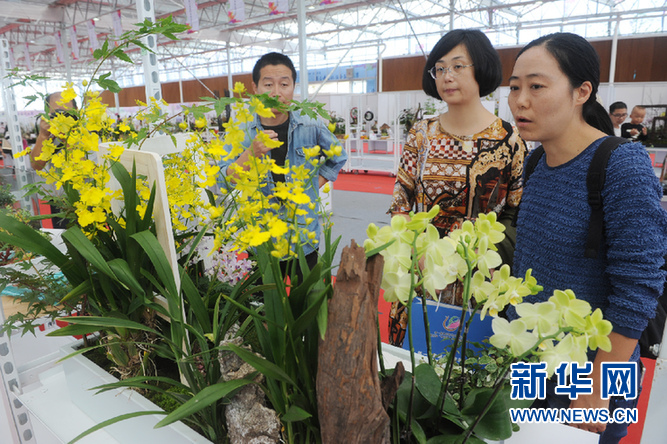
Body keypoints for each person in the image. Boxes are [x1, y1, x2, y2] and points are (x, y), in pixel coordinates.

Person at [508, 32, 667, 444]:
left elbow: (639, 288)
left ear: (582, 92)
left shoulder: (622, 165)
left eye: (536, 86)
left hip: (595, 370)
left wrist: (597, 389)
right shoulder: (537, 160)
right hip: (532, 358)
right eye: (514, 87)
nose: (520, 100)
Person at [387, 29, 527, 345]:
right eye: (440, 68)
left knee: (467, 373)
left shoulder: (509, 139)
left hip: (479, 277)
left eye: (458, 66)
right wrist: (418, 250)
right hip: (421, 271)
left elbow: (518, 213)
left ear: (482, 68)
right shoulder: (421, 134)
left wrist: (483, 255)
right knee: (411, 369)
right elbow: (401, 198)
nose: (447, 76)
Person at [217, 52, 347, 279]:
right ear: (254, 88)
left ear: (293, 87)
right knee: (265, 308)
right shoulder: (241, 129)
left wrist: (312, 185)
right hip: (262, 239)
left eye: (284, 84)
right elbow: (223, 179)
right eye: (268, 84)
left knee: (305, 306)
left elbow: (338, 156)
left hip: (303, 235)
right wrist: (250, 154)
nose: (276, 92)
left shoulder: (310, 123)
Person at [30, 92, 78, 229]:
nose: (62, 118)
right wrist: (43, 135)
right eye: (57, 113)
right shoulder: (49, 137)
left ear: (77, 111)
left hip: (87, 201)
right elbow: (36, 165)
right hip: (60, 204)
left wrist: (67, 139)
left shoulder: (90, 134)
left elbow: (84, 168)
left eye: (67, 113)